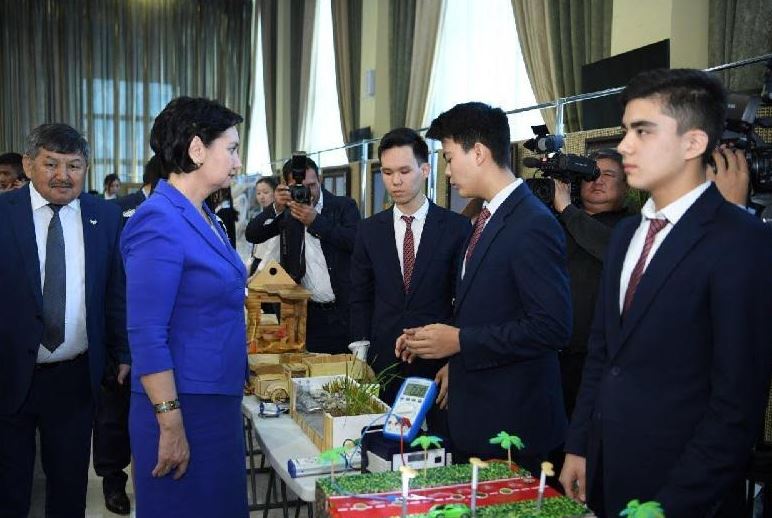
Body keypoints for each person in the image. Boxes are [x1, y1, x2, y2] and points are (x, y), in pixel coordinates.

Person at [559, 69, 772, 517]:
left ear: (693, 143)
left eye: (642, 131)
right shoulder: (626, 235)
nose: (624, 146)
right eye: (625, 131)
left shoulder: (741, 240)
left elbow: (736, 404)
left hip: (684, 489)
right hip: (607, 469)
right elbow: (603, 353)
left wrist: (673, 505)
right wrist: (579, 445)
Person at [396, 102, 572, 474]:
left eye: (449, 158)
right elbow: (489, 306)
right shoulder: (486, 217)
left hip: (515, 427)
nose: (447, 172)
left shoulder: (532, 223)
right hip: (480, 415)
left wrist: (460, 342)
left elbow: (552, 327)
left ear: (478, 153)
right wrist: (443, 347)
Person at [121, 96, 248, 517]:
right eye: (231, 148)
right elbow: (146, 333)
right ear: (197, 149)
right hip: (182, 406)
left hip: (214, 400)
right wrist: (170, 421)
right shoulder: (159, 220)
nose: (237, 161)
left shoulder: (204, 215)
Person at [0, 123, 129, 516]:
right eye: (51, 164)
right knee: (9, 491)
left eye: (74, 165)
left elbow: (115, 291)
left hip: (74, 378)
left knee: (69, 490)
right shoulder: (4, 213)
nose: (63, 175)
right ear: (28, 165)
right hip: (8, 372)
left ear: (86, 168)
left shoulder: (105, 217)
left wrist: (123, 352)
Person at [349, 128, 470, 416]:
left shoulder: (455, 228)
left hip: (437, 363)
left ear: (425, 170)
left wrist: (456, 360)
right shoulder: (369, 230)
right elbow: (360, 295)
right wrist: (360, 354)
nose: (395, 181)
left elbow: (465, 300)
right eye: (387, 172)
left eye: (404, 171)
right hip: (381, 364)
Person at [92, 154, 164, 515]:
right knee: (114, 418)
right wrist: (121, 348)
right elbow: (110, 284)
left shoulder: (185, 213)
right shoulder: (117, 212)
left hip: (160, 333)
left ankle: (154, 476)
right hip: (120, 332)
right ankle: (113, 480)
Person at [245, 156, 360, 354]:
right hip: (307, 314)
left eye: (312, 185)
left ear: (320, 179)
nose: (307, 192)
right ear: (286, 186)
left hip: (344, 313)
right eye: (299, 187)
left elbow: (355, 241)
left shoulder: (343, 206)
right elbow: (253, 234)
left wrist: (316, 221)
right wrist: (275, 207)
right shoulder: (288, 213)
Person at [551, 149, 634, 419]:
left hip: (602, 359)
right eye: (590, 174)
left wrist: (567, 210)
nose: (597, 180)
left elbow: (614, 251)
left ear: (626, 185)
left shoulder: (634, 226)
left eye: (608, 174)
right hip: (551, 355)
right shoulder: (555, 223)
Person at [248, 176, 278, 275]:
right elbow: (254, 248)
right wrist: (249, 266)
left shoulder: (278, 218)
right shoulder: (258, 217)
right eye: (258, 193)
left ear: (275, 193)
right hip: (256, 263)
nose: (261, 197)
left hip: (269, 267)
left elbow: (271, 251)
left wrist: (256, 274)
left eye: (265, 192)